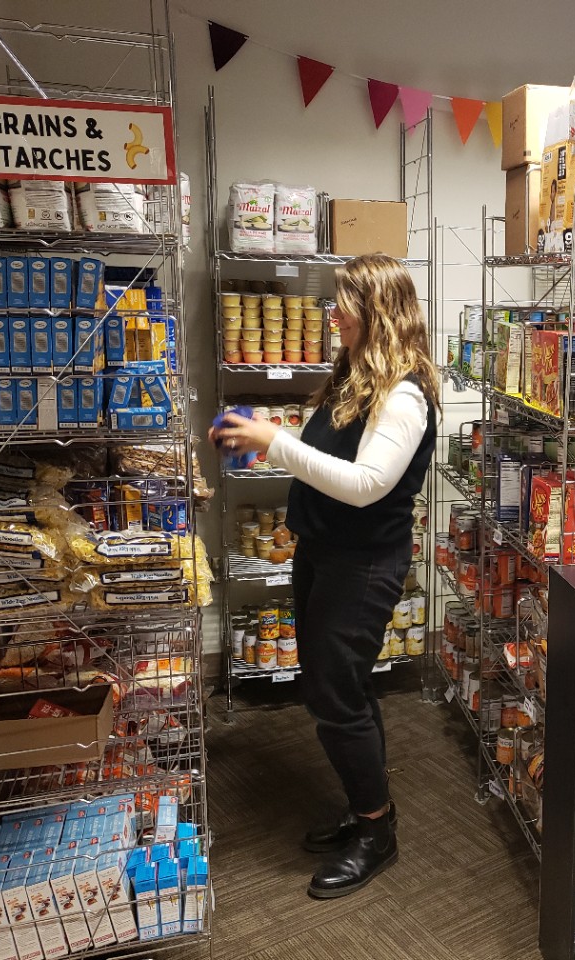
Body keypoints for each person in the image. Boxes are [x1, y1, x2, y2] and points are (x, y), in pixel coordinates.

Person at [209, 254, 438, 900]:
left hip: (363, 565)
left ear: (377, 313)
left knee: (336, 696)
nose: (330, 314)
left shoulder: (404, 394)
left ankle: (377, 829)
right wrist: (265, 434)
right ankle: (368, 800)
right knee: (340, 689)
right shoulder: (357, 377)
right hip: (326, 553)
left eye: (342, 304)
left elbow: (367, 486)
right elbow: (330, 459)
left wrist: (273, 441)